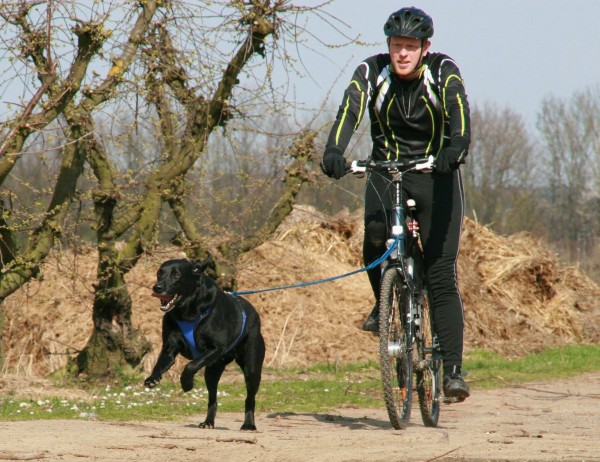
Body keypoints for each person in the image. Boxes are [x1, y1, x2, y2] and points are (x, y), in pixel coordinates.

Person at [320, 6, 470, 403]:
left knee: (440, 274)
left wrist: (455, 147)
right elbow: (350, 109)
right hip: (386, 168)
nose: (402, 54)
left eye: (409, 46)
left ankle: (453, 370)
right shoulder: (372, 72)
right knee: (373, 239)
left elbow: (458, 112)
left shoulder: (442, 70)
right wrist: (335, 149)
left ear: (425, 48)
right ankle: (384, 301)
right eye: (395, 46)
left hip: (436, 172)